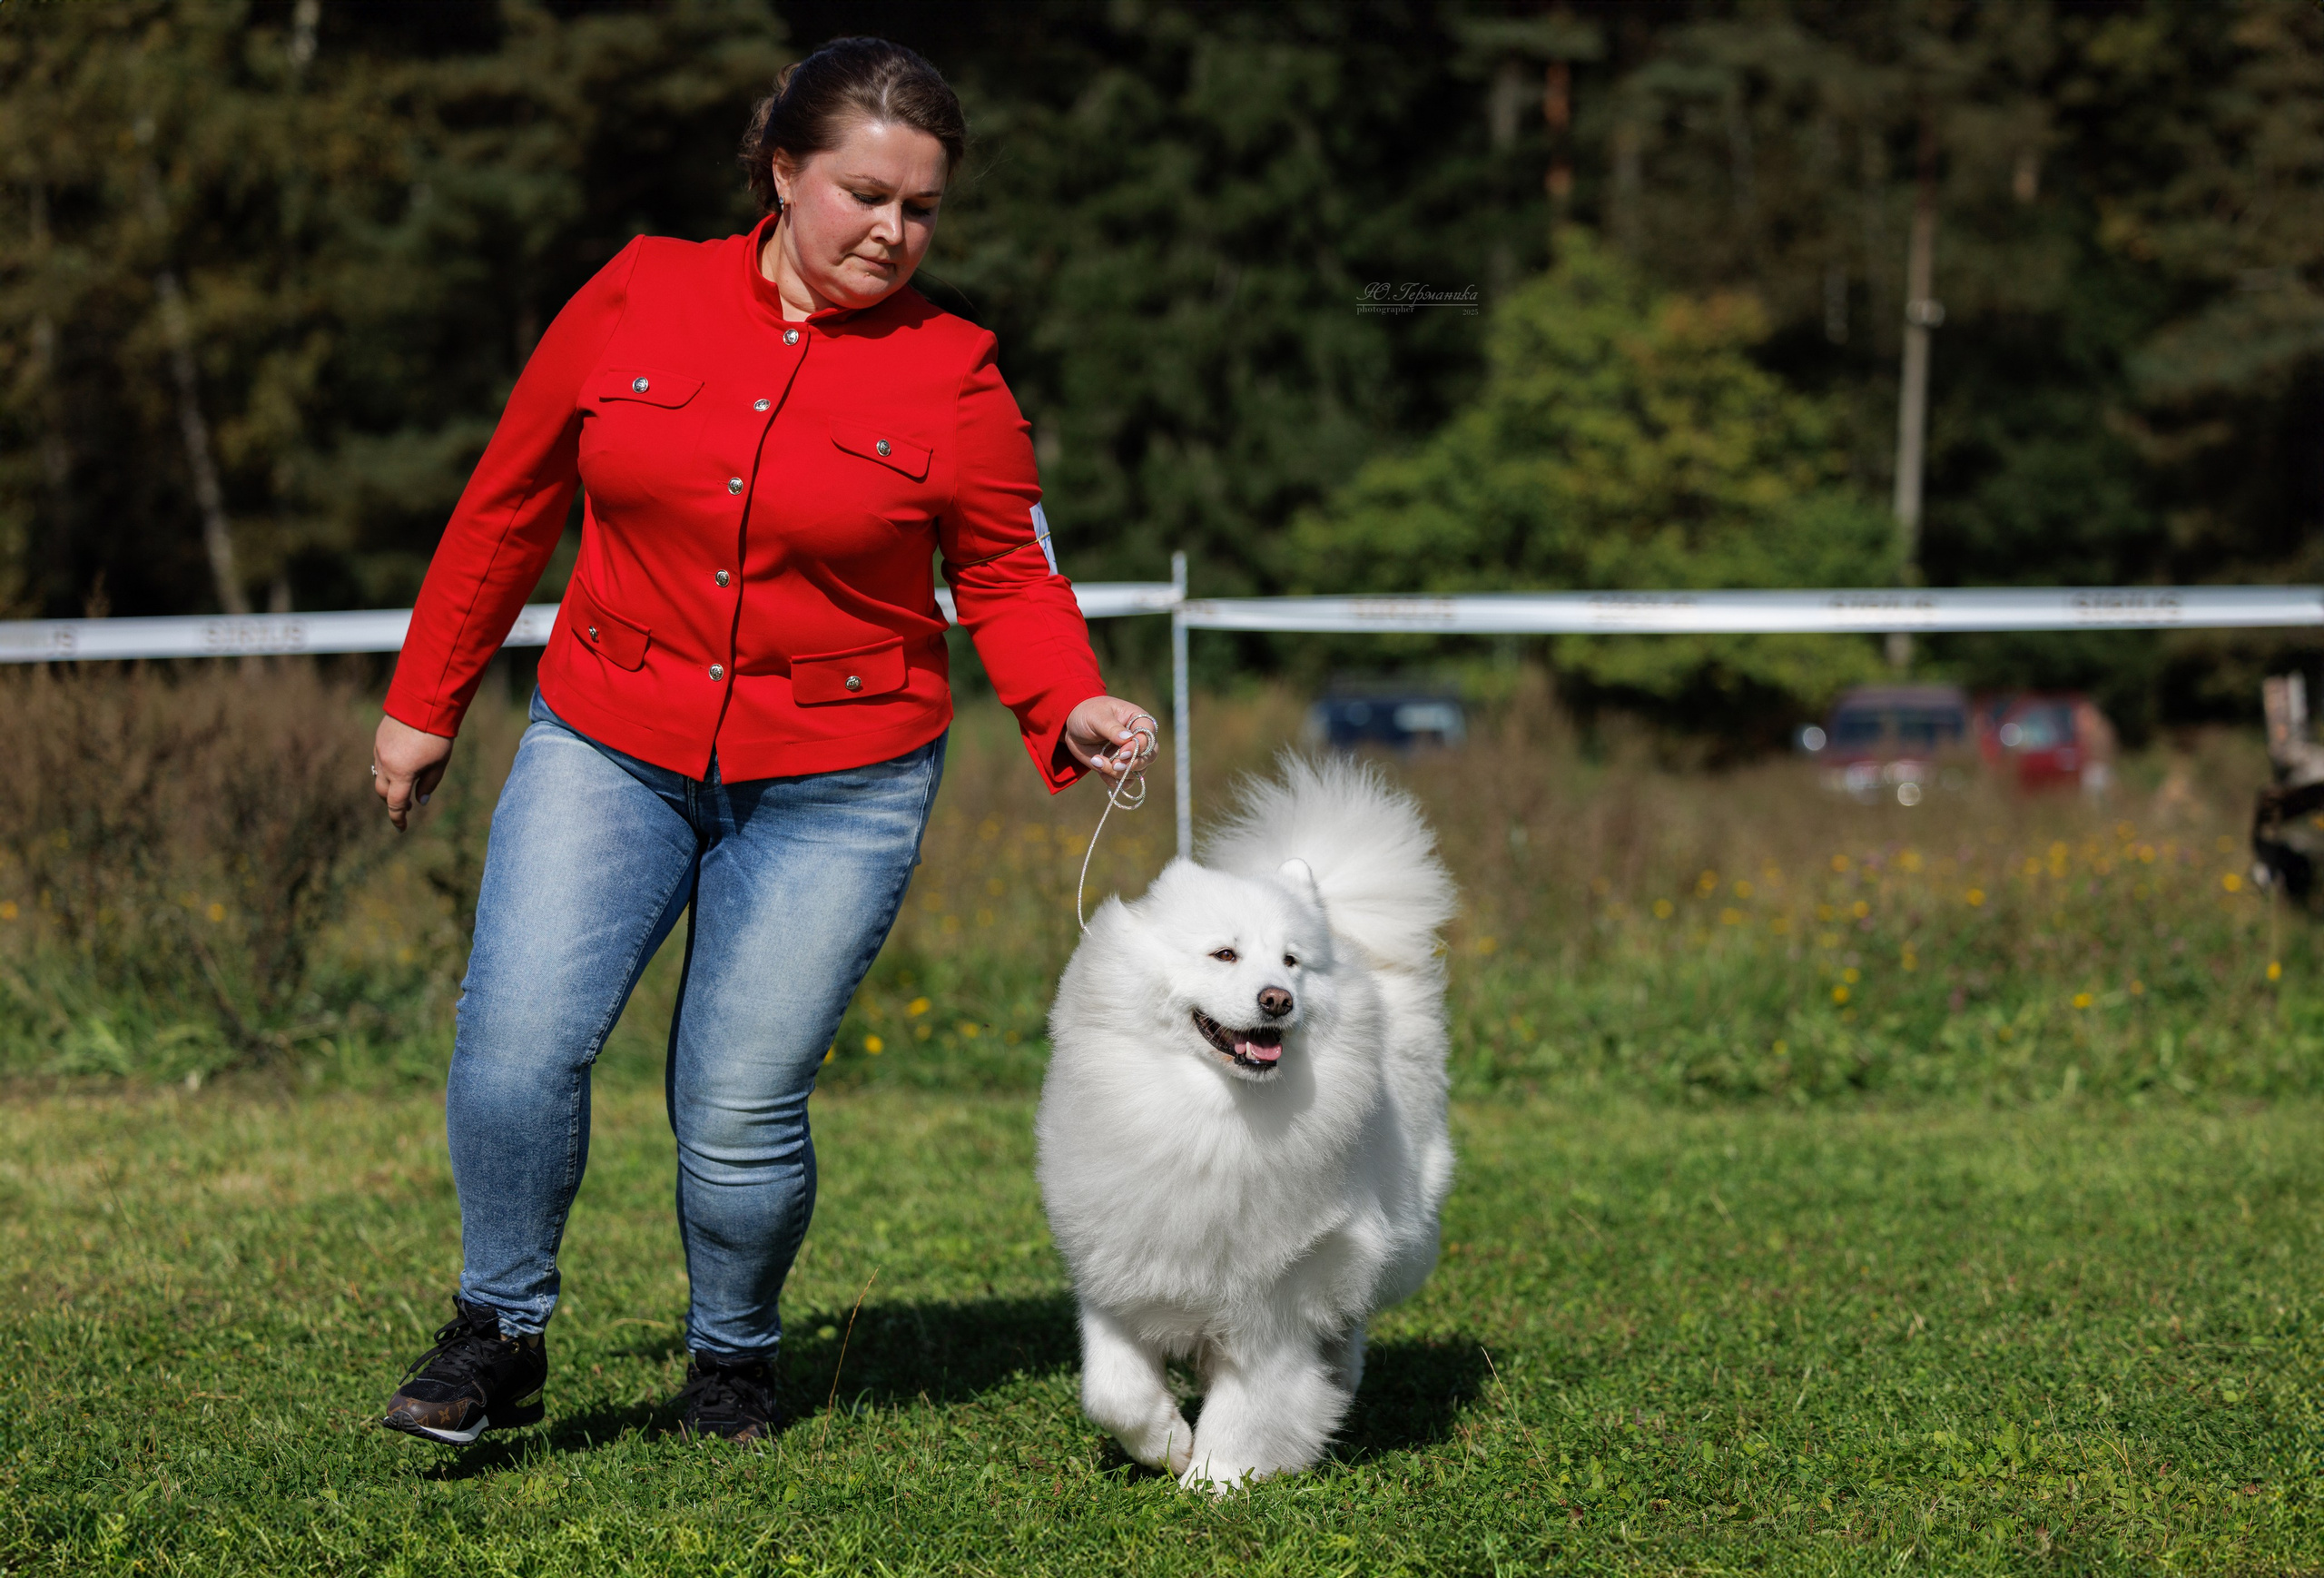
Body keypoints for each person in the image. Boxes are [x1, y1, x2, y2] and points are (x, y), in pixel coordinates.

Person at [369, 36, 1157, 1446]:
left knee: (736, 1101)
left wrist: (1070, 699)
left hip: (840, 781)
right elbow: (510, 500)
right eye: (867, 195)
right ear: (783, 172)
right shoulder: (637, 290)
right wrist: (426, 701)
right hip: (609, 736)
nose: (894, 231)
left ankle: (732, 1360)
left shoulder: (958, 374)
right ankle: (498, 1331)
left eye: (922, 208)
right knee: (516, 1044)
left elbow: (1007, 572)